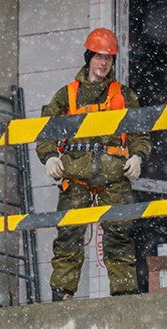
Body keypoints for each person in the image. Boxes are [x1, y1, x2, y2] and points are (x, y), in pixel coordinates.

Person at [36, 28, 151, 299]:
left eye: (109, 58)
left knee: (120, 236)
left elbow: (140, 133)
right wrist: (50, 155)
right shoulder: (67, 95)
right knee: (68, 236)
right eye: (99, 57)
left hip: (114, 174)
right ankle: (62, 295)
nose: (103, 63)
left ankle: (123, 296)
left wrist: (138, 156)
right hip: (75, 175)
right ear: (89, 57)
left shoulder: (124, 95)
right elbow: (44, 130)